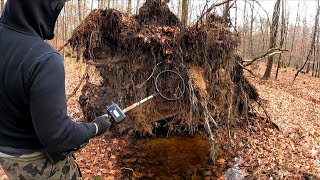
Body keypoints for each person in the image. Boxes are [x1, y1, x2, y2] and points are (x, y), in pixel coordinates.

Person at [0, 0, 118, 179]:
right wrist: (95, 127)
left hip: (7, 159)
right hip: (40, 165)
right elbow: (60, 139)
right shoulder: (44, 59)